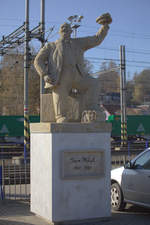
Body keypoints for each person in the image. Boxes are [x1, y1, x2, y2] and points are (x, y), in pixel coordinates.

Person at [34, 14, 111, 123]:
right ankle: (60, 115)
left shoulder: (78, 43)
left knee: (94, 84)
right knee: (60, 96)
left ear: (70, 32)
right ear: (59, 32)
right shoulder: (50, 46)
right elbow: (38, 60)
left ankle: (90, 109)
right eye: (62, 29)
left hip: (78, 76)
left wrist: (105, 26)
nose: (64, 30)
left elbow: (96, 39)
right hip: (59, 78)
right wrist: (45, 74)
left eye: (67, 29)